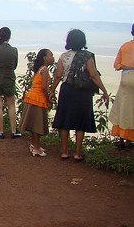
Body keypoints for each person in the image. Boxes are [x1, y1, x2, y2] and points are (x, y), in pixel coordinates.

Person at [50, 29, 109, 161]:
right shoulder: (87, 56)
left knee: (64, 121)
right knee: (80, 122)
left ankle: (64, 152)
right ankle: (77, 153)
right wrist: (104, 91)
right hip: (82, 92)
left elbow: (58, 75)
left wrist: (52, 90)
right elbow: (93, 75)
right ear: (83, 41)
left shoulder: (64, 56)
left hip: (66, 90)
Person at [19, 49, 54, 157]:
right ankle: (36, 147)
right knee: (37, 125)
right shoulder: (44, 70)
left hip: (32, 97)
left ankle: (35, 145)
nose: (52, 58)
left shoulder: (39, 69)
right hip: (38, 98)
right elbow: (44, 87)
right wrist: (48, 98)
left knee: (35, 124)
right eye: (50, 55)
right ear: (44, 57)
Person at [0, 27, 20, 139]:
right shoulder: (14, 50)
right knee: (11, 105)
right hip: (9, 79)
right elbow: (15, 65)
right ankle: (14, 131)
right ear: (9, 37)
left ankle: (0, 131)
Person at [108, 23, 134, 149]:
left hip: (126, 80)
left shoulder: (125, 46)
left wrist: (128, 67)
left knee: (123, 109)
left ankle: (123, 140)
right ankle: (130, 141)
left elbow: (116, 65)